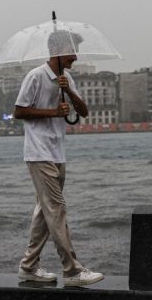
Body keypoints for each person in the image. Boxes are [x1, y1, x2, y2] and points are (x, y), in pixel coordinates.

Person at [13, 31, 104, 287]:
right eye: (73, 51)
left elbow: (83, 111)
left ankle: (28, 266)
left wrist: (69, 92)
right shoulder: (36, 76)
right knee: (56, 208)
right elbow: (18, 111)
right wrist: (53, 112)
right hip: (39, 152)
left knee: (45, 210)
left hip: (57, 152)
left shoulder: (67, 77)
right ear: (59, 50)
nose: (76, 56)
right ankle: (72, 270)